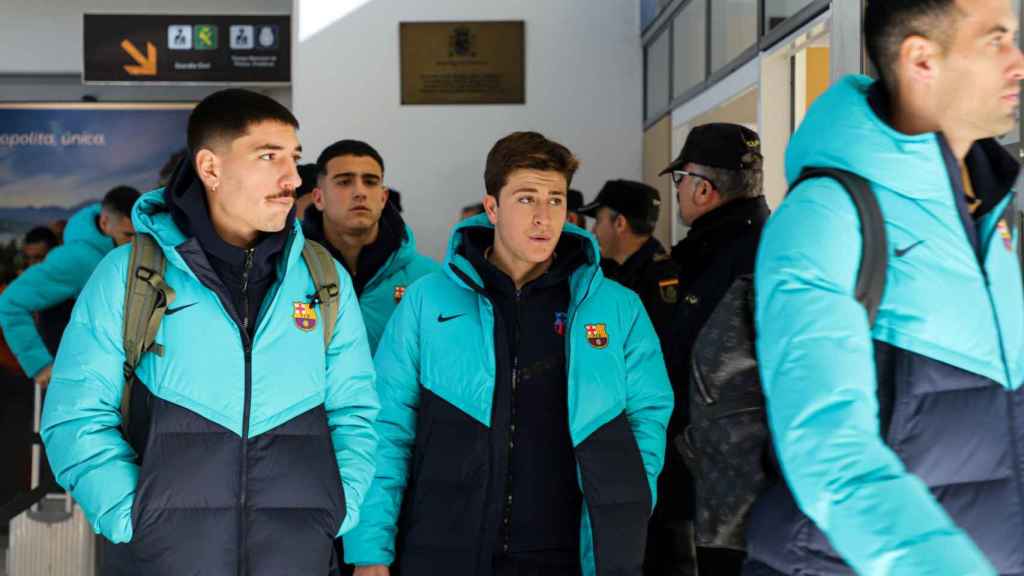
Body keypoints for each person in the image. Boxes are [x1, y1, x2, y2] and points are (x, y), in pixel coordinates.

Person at [40, 88, 380, 576]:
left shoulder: (323, 279)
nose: (292, 178)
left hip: (296, 559)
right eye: (269, 157)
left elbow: (356, 413)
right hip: (162, 560)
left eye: (295, 158)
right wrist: (132, 517)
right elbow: (74, 417)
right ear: (211, 168)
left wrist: (336, 507)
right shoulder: (129, 275)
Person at [747, 1, 1024, 575]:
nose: (1018, 63)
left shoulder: (988, 211)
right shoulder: (826, 214)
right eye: (996, 40)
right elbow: (828, 449)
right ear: (922, 59)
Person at [344, 131, 674, 576]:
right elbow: (386, 428)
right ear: (493, 207)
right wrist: (370, 551)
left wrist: (625, 508)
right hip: (444, 549)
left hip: (569, 554)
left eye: (555, 200)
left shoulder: (616, 308)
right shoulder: (427, 301)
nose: (543, 217)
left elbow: (648, 416)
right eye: (526, 199)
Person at [654, 122, 769, 576]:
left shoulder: (736, 260)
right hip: (729, 489)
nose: (678, 191)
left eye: (679, 180)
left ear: (702, 189)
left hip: (732, 493)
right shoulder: (749, 246)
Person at [304, 140, 439, 353]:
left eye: (370, 182)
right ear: (319, 198)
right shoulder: (288, 270)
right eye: (344, 182)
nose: (360, 192)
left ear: (384, 197)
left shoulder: (427, 278)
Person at [0, 185, 139, 389]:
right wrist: (40, 365)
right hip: (84, 380)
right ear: (104, 222)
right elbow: (10, 303)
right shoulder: (75, 259)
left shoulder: (122, 250)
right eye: (128, 235)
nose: (135, 243)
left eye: (140, 235)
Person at [579, 179, 679, 347]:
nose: (593, 231)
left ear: (619, 223)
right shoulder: (603, 269)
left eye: (598, 221)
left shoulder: (661, 276)